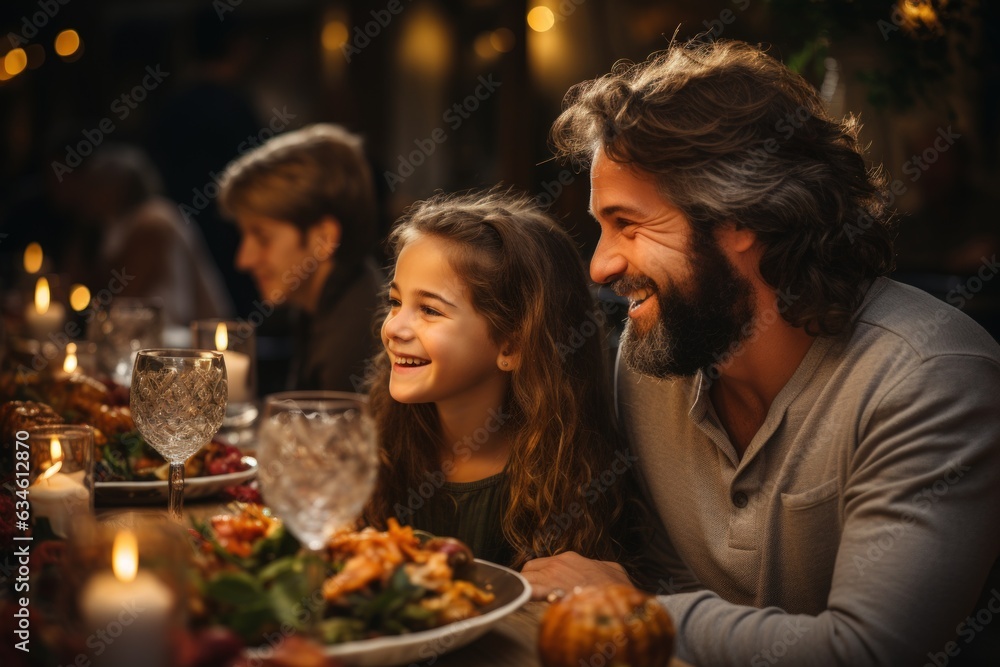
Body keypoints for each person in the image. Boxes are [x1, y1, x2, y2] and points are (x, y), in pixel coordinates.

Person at [521, 39, 1000, 666]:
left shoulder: (931, 378)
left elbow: (869, 651)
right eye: (600, 226)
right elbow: (671, 586)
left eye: (629, 224)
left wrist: (632, 609)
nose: (599, 266)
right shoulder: (655, 359)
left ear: (740, 219)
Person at [362, 190, 635, 569]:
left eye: (428, 310)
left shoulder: (576, 480)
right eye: (395, 302)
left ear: (512, 345)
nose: (393, 328)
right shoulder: (376, 450)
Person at [218, 123, 383, 392]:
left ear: (324, 238)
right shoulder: (329, 302)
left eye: (262, 237)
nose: (243, 260)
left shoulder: (353, 341)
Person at [82, 144, 233, 326]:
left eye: (99, 184)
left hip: (188, 335)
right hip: (156, 332)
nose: (89, 194)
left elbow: (125, 296)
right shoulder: (111, 226)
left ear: (120, 186)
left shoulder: (154, 220)